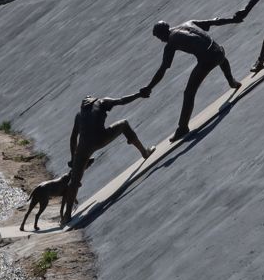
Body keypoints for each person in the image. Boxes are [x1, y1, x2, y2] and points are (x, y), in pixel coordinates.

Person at [141, 18, 243, 143]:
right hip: (220, 52)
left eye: (159, 37)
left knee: (189, 93)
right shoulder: (188, 23)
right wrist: (233, 19)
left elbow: (163, 69)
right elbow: (213, 21)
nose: (161, 40)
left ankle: (182, 127)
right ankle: (232, 81)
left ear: (163, 33)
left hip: (208, 60)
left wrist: (149, 87)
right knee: (219, 56)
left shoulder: (171, 42)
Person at [61, 92, 155, 224]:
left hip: (84, 148)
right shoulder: (102, 102)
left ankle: (66, 215)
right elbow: (122, 100)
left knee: (74, 181)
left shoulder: (79, 115)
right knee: (124, 124)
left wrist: (73, 159)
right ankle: (144, 152)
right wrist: (139, 94)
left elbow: (73, 139)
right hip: (100, 138)